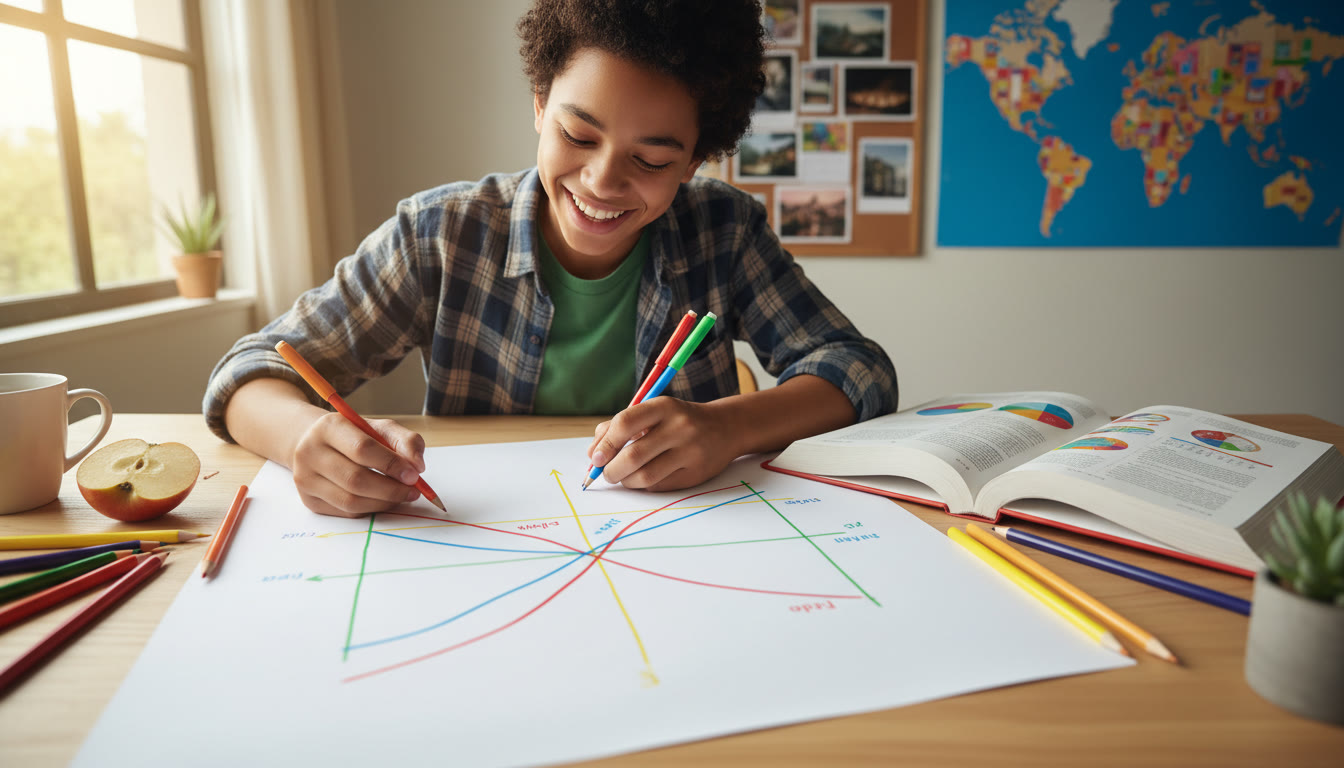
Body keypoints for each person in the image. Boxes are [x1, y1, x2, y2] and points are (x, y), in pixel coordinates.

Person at [203, 0, 898, 518]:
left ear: (695, 160)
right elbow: (248, 374)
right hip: (484, 542)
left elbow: (858, 368)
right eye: (577, 132)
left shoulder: (723, 234)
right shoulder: (440, 237)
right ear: (539, 105)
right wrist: (305, 440)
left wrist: (729, 425)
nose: (601, 182)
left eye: (652, 159)